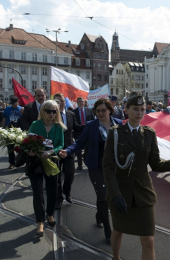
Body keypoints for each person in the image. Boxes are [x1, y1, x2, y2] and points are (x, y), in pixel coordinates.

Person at [102, 92, 170, 260]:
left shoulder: (149, 134)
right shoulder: (115, 133)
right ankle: (116, 257)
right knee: (118, 230)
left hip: (143, 194)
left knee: (148, 239)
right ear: (126, 110)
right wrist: (115, 195)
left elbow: (156, 164)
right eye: (135, 109)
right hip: (120, 193)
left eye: (142, 109)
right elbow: (108, 168)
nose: (139, 113)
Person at [59, 98, 122, 243]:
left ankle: (99, 215)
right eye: (97, 111)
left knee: (109, 195)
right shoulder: (91, 125)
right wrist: (67, 151)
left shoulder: (118, 124)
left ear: (109, 110)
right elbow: (80, 143)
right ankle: (108, 231)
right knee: (102, 194)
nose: (100, 113)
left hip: (113, 167)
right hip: (96, 166)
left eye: (103, 110)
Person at [27, 100, 65, 237]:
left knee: (52, 191)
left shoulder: (59, 127)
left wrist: (51, 151)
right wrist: (30, 151)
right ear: (43, 111)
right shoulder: (35, 125)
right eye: (48, 111)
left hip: (52, 162)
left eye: (54, 111)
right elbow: (27, 141)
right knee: (37, 193)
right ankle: (40, 222)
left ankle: (49, 214)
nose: (51, 114)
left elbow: (61, 144)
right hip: (36, 163)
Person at [53, 93, 84, 208]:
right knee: (56, 176)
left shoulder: (71, 114)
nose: (60, 103)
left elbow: (76, 127)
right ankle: (58, 197)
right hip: (56, 149)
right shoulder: (52, 114)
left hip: (69, 148)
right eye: (57, 101)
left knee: (70, 173)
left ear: (64, 102)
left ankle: (67, 193)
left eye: (61, 101)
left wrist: (87, 125)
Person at [73, 97, 95, 170]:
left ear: (84, 102)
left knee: (87, 148)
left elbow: (93, 121)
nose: (81, 103)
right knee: (78, 149)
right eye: (79, 101)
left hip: (87, 133)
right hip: (78, 133)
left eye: (82, 101)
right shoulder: (74, 112)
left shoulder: (89, 110)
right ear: (77, 103)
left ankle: (86, 160)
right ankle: (80, 165)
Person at [1, 96, 22, 169]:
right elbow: (4, 118)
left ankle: (20, 161)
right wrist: (2, 128)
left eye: (14, 103)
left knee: (20, 147)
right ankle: (12, 162)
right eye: (12, 104)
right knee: (10, 147)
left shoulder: (21, 109)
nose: (13, 105)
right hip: (9, 130)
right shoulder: (7, 109)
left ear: (17, 101)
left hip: (19, 130)